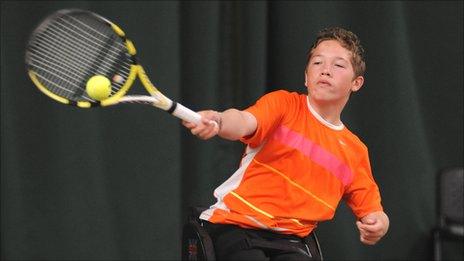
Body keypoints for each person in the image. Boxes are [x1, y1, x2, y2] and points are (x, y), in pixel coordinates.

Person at [182, 27, 389, 260]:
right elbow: (243, 121)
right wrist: (220, 120)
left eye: (339, 65)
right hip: (235, 225)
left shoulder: (354, 150)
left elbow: (372, 209)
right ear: (306, 77)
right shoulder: (283, 105)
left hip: (292, 241)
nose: (326, 71)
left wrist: (378, 224)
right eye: (318, 63)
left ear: (356, 83)